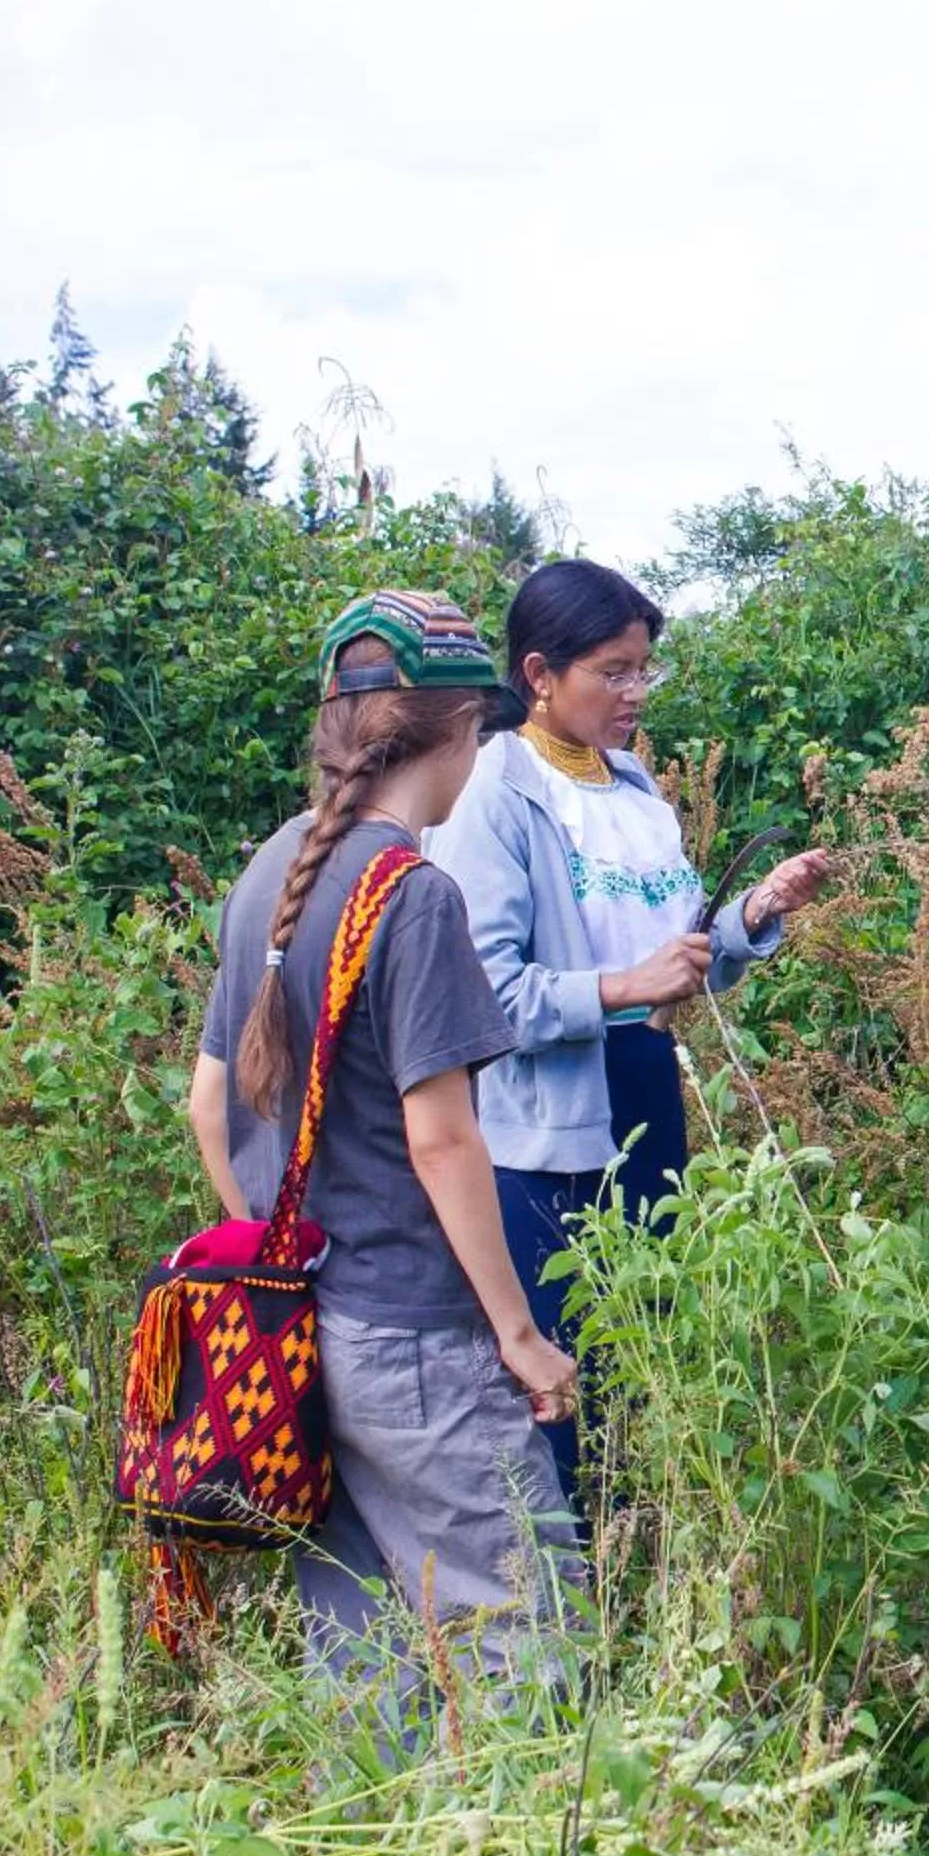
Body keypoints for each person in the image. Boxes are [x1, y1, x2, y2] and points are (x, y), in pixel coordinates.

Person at [185, 589, 582, 1731]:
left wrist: (286, 1247)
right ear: (457, 732)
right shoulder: (411, 893)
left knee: (358, 1646)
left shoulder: (272, 870)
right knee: (523, 1621)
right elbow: (442, 1134)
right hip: (414, 1332)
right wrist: (515, 1331)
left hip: (302, 1319)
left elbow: (210, 1108)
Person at [424, 559, 832, 1513]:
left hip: (642, 1092)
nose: (634, 693)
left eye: (644, 669)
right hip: (548, 1129)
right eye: (611, 671)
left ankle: (633, 1568)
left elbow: (679, 952)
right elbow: (483, 1000)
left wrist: (754, 914)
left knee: (641, 1350)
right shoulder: (497, 793)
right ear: (538, 675)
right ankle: (558, 1589)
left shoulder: (634, 787)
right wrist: (622, 987)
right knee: (562, 1369)